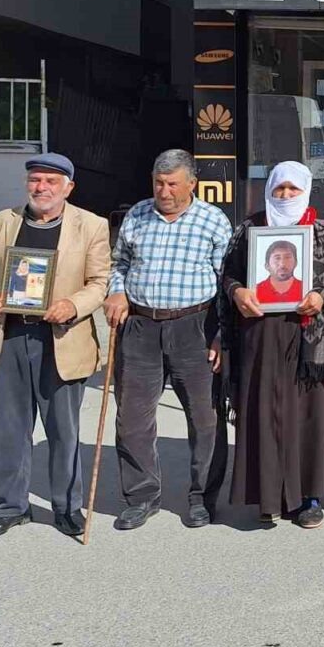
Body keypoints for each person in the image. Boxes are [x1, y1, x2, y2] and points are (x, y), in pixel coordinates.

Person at [0, 154, 109, 540]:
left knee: (63, 430)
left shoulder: (91, 225)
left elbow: (100, 282)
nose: (41, 187)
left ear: (68, 187)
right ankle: (10, 507)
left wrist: (73, 305)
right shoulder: (3, 222)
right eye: (35, 179)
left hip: (61, 339)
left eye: (51, 181)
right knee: (9, 428)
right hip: (10, 336)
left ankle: (66, 507)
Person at [219, 162, 324, 528]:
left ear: (306, 190)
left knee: (311, 417)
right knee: (265, 414)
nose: (286, 195)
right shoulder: (250, 229)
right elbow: (228, 273)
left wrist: (322, 296)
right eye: (279, 189)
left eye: (293, 189)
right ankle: (269, 496)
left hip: (312, 339)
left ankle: (310, 498)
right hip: (261, 335)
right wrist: (237, 291)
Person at [104, 149, 233, 531]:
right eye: (158, 183)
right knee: (132, 419)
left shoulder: (212, 220)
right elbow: (119, 264)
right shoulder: (137, 215)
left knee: (205, 419)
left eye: (172, 184)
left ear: (192, 183)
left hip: (196, 327)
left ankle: (202, 498)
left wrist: (222, 335)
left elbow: (226, 282)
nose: (164, 191)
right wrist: (116, 291)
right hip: (140, 326)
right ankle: (142, 497)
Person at [255, 240, 304, 305]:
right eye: (277, 258)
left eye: (287, 257)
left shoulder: (306, 289)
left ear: (296, 263)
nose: (282, 264)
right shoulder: (255, 291)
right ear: (267, 265)